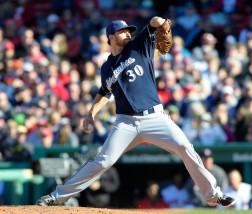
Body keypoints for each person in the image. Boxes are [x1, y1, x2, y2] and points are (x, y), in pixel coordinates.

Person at [36, 17, 235, 208]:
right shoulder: (107, 67)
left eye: (129, 31)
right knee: (103, 161)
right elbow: (105, 91)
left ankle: (213, 195)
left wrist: (163, 24)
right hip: (126, 123)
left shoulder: (139, 46)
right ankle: (57, 196)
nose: (128, 34)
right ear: (111, 38)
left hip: (155, 118)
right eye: (122, 32)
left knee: (184, 146)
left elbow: (154, 21)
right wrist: (91, 112)